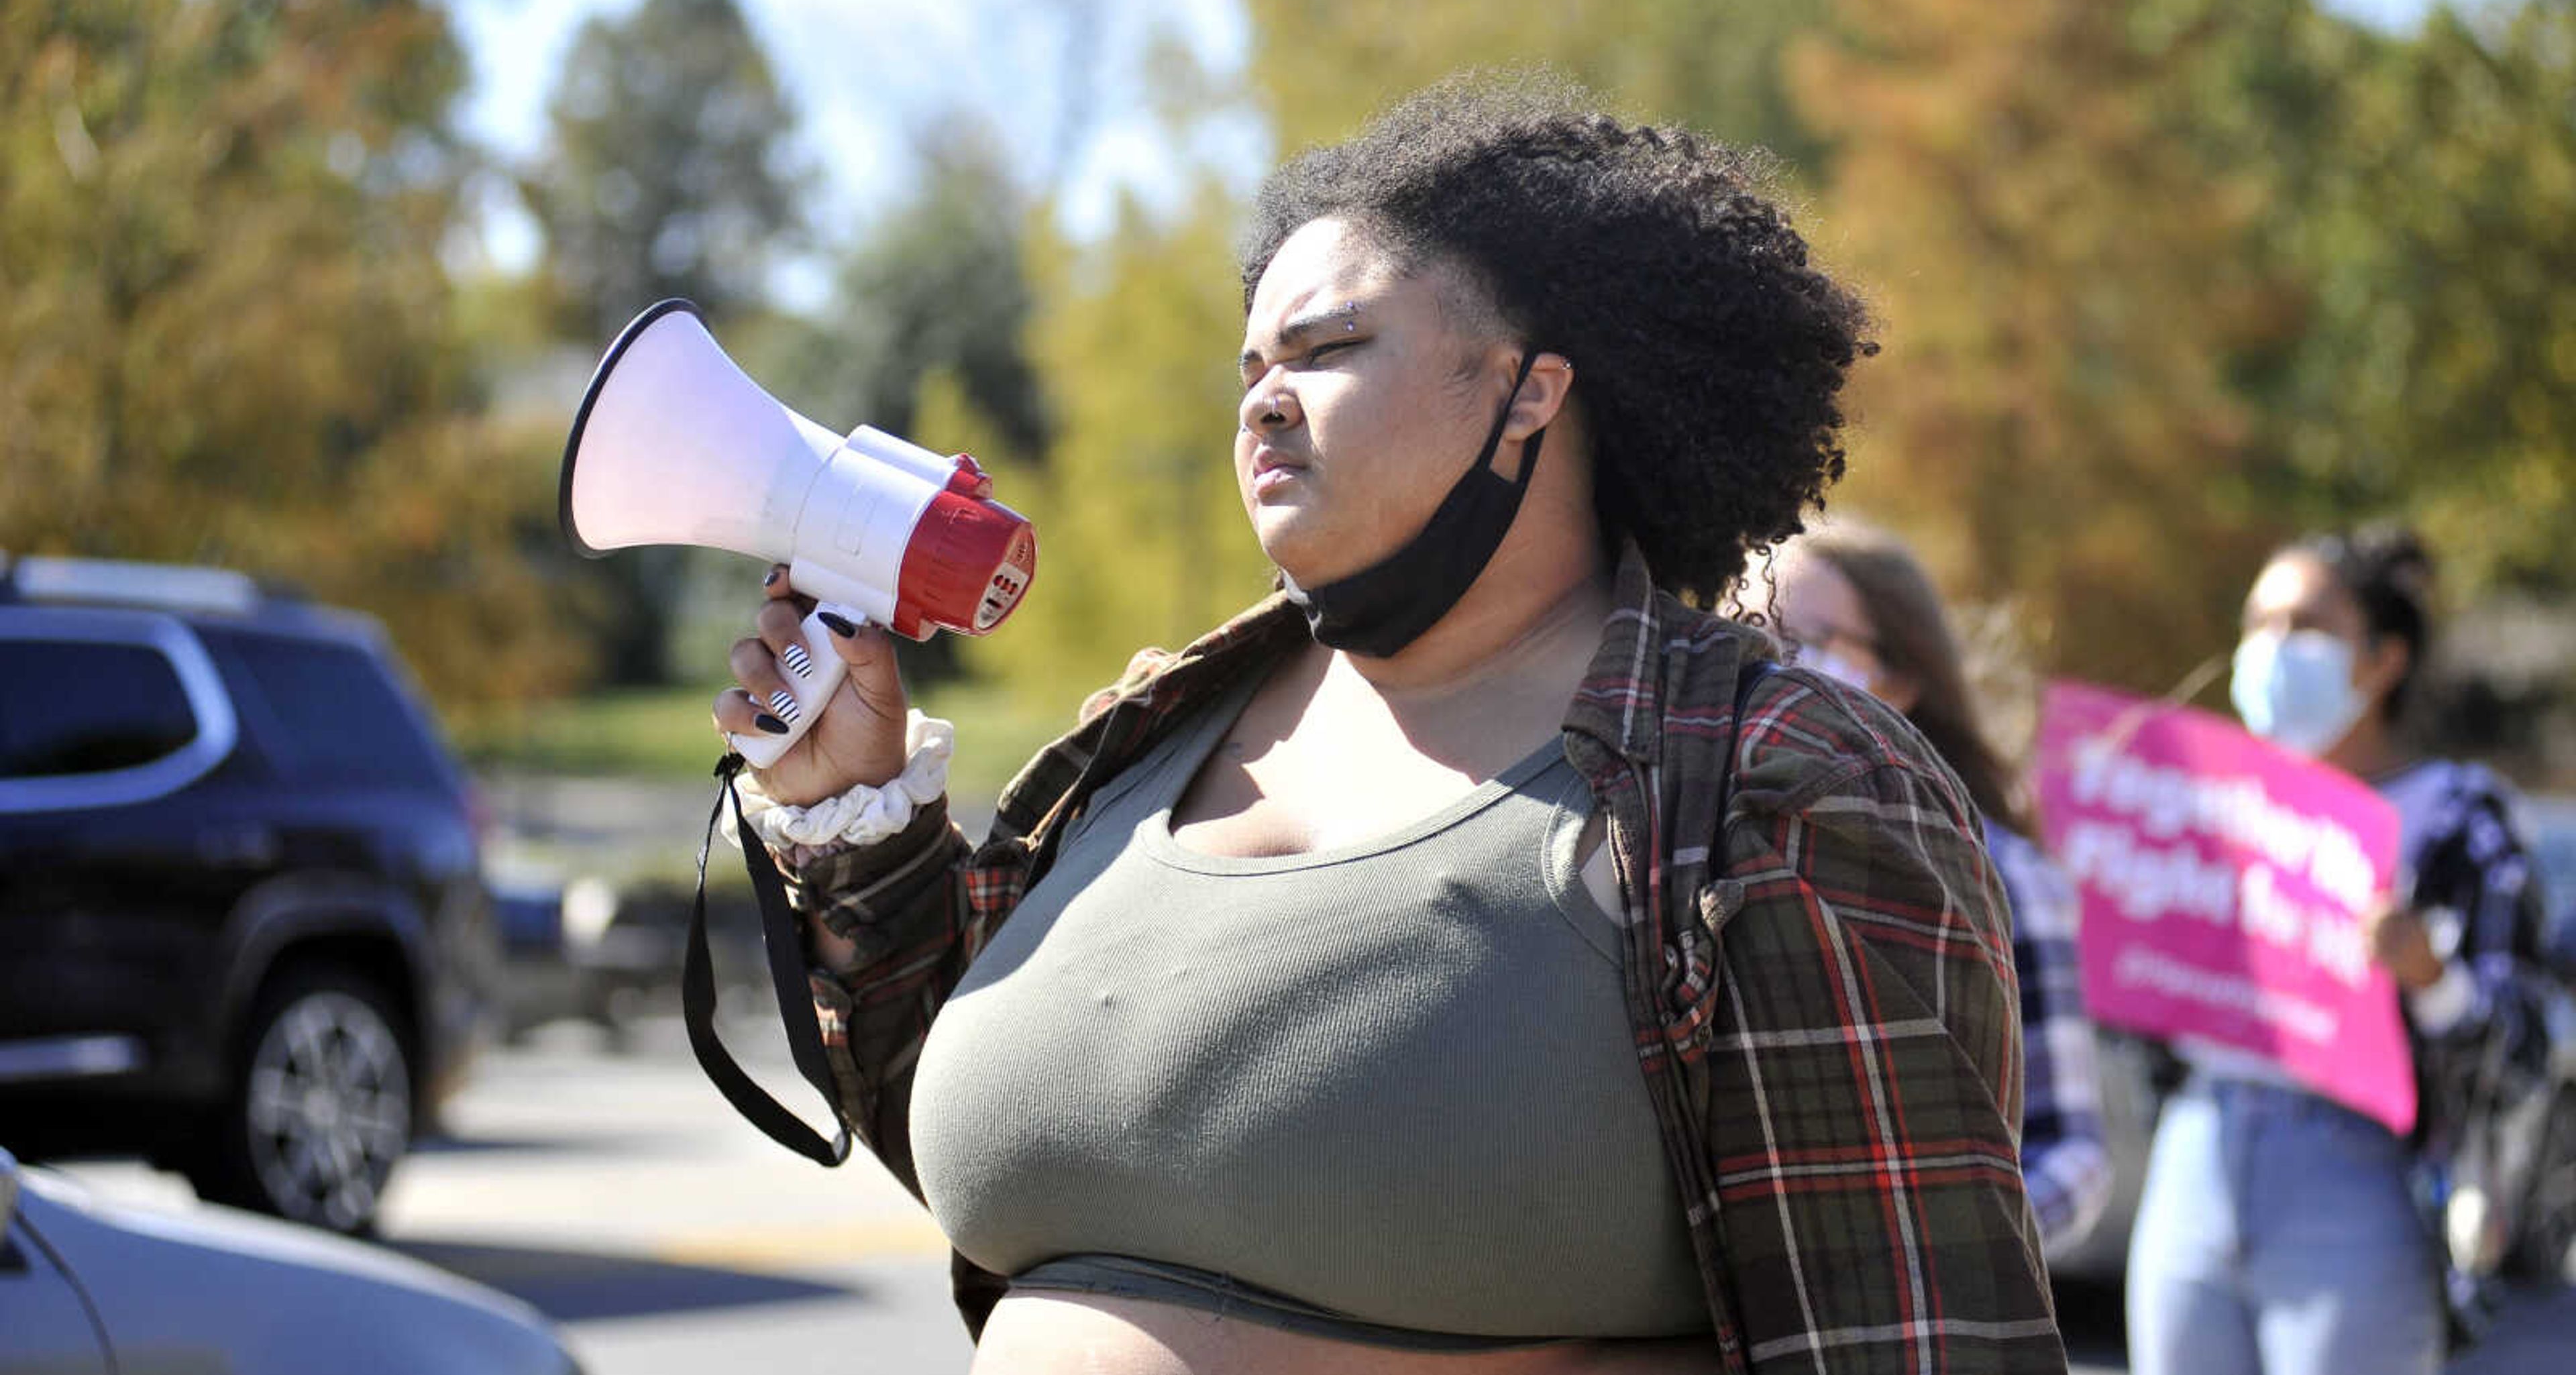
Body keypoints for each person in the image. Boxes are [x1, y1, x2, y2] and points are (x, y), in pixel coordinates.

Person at [711, 81, 2063, 1373]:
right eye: (1249, 365)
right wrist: (863, 825)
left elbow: (1911, 1337)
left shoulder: (1774, 784)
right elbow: (1014, 1164)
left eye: (1330, 348)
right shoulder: (1143, 739)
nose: (1261, 399)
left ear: (1530, 391)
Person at [2125, 525, 2548, 1375]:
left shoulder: (2456, 820)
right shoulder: (2209, 807)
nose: (2273, 650)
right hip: (2193, 1156)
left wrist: (2432, 980)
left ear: (2383, 660)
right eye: (2259, 625)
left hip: (2354, 1177)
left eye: (2307, 627)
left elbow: (2523, 1052)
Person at [1752, 520, 2115, 1263]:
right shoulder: (1683, 843)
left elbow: (2070, 1158)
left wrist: (1935, 1259)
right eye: (1754, 628)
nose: (1774, 661)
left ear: (1901, 681)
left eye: (1810, 637)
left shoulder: (2004, 877)